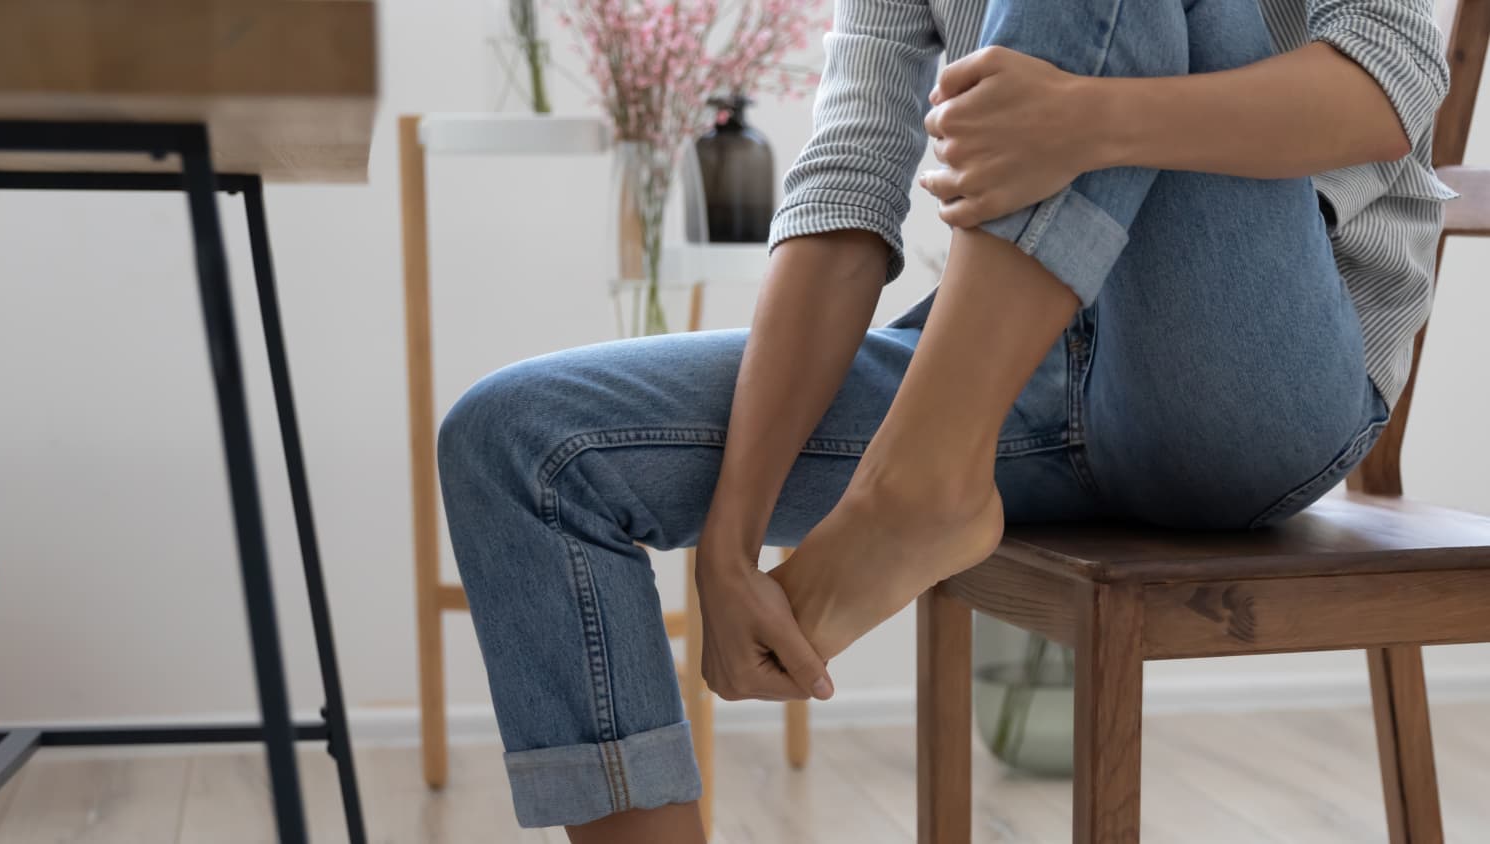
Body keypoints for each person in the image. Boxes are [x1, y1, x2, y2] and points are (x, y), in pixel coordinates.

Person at [436, 0, 1455, 840]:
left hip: (1247, 379)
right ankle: (930, 466)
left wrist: (1092, 120)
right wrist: (733, 534)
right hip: (1009, 370)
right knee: (520, 442)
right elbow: (845, 190)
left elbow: (1385, 87)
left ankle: (918, 484)